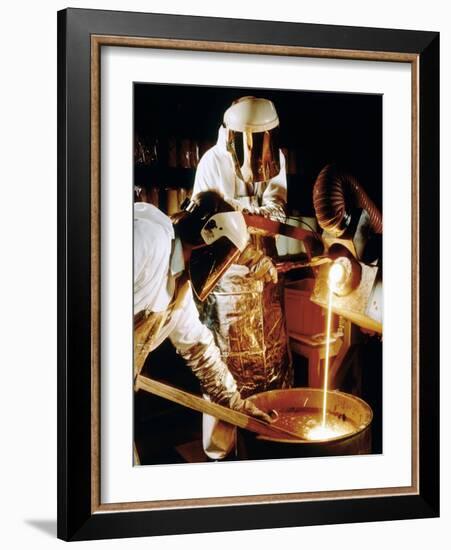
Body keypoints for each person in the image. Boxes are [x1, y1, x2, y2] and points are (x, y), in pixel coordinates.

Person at [133, 190, 271, 462]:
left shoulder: (177, 285)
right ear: (209, 242)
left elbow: (199, 348)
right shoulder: (148, 241)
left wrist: (236, 404)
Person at [192, 96, 293, 458]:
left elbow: (276, 209)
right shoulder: (212, 162)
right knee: (227, 371)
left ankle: (272, 446)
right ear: (235, 138)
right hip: (227, 281)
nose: (261, 153)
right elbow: (210, 224)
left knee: (272, 363)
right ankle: (221, 456)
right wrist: (248, 220)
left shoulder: (276, 159)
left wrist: (246, 216)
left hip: (265, 277)